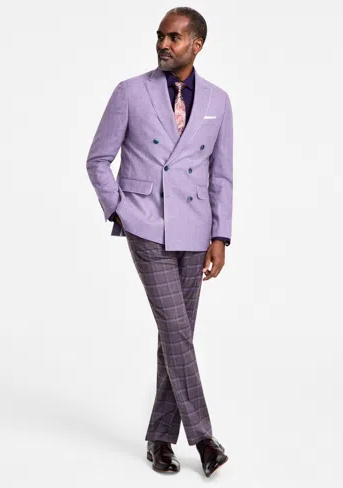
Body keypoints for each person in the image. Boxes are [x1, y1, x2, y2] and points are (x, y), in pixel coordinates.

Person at [86, 6, 233, 478]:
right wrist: (120, 210)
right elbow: (98, 159)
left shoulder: (218, 101)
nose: (163, 44)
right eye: (160, 36)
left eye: (174, 38)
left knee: (177, 335)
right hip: (146, 224)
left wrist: (220, 235)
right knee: (175, 329)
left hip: (195, 229)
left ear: (196, 44)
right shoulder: (130, 92)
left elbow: (222, 175)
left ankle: (159, 439)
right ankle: (204, 437)